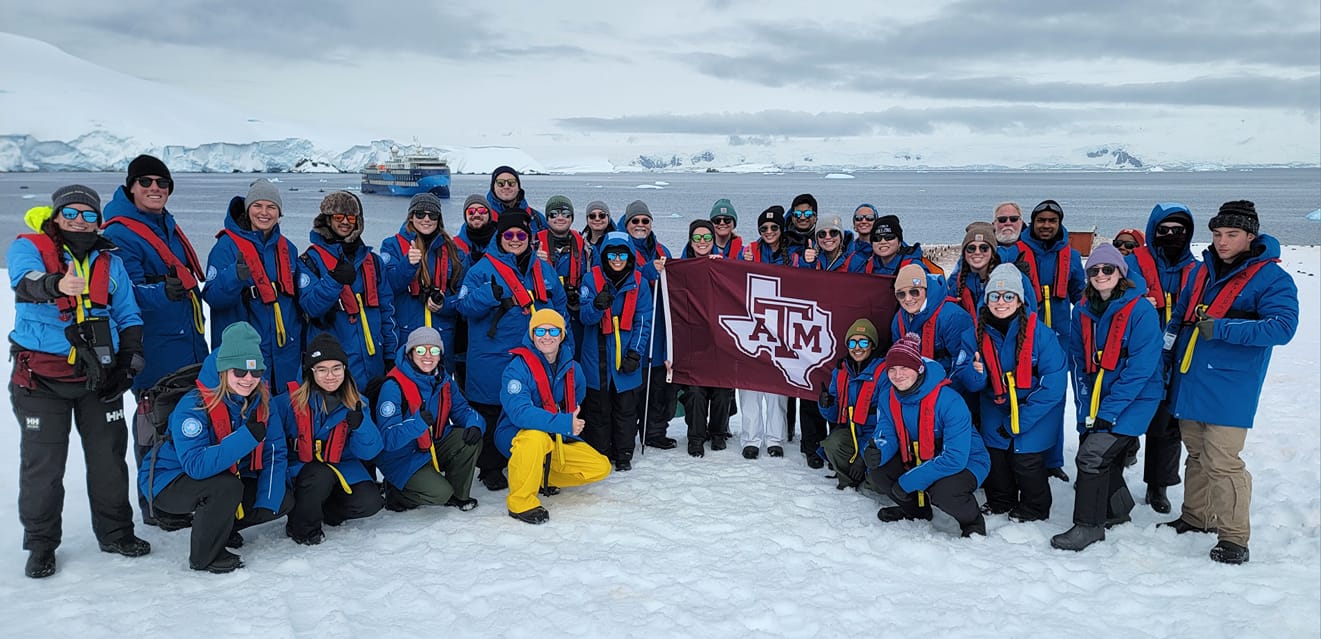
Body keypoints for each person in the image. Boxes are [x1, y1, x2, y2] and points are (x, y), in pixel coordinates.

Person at [9, 186, 150, 578]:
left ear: (98, 220)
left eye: (89, 215)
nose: (80, 221)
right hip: (41, 380)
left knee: (108, 461)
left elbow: (129, 315)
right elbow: (25, 281)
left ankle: (116, 532)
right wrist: (57, 285)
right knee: (44, 466)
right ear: (55, 216)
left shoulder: (111, 262)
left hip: (98, 378)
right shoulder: (30, 247)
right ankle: (40, 545)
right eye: (71, 213)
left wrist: (128, 364)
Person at [1163, 201, 1298, 564]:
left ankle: (1235, 538)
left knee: (1223, 461)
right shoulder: (1201, 272)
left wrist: (1223, 328)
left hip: (1230, 387)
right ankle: (1197, 516)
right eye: (1218, 234)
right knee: (1195, 455)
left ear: (1250, 236)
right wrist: (1165, 350)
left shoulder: (1272, 278)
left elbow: (1283, 328)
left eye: (1232, 235)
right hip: (1190, 378)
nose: (1222, 242)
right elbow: (1180, 317)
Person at [139, 322, 292, 574]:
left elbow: (275, 451)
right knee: (225, 487)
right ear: (224, 370)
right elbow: (196, 466)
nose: (248, 379)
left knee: (281, 499)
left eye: (256, 372)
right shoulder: (194, 405)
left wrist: (267, 501)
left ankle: (223, 528)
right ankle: (204, 556)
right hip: (169, 480)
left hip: (222, 474)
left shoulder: (261, 399)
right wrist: (246, 437)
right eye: (240, 371)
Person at [1051, 245, 1162, 551]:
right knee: (1094, 446)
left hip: (1137, 398)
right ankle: (1118, 508)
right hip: (1100, 397)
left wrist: (1109, 411)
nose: (1101, 275)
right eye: (1094, 271)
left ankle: (1088, 526)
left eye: (1108, 269)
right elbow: (1078, 364)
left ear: (1121, 273)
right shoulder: (1084, 311)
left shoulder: (1141, 312)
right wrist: (1087, 410)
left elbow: (1140, 370)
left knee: (1091, 455)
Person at [457, 211, 569, 491]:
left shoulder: (543, 269)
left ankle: (531, 462)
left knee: (530, 407)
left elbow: (561, 306)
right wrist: (488, 295)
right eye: (509, 235)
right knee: (492, 410)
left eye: (521, 235)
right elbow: (463, 307)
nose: (515, 239)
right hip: (492, 355)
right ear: (500, 237)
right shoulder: (481, 270)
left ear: (530, 239)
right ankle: (491, 467)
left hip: (535, 355)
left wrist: (565, 344)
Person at [863, 333, 989, 538]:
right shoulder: (889, 396)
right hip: (917, 456)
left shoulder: (949, 401)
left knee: (943, 491)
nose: (898, 375)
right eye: (892, 369)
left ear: (919, 368)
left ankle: (972, 522)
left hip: (966, 461)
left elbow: (955, 458)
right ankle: (915, 510)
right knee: (880, 472)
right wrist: (878, 451)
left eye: (905, 368)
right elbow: (886, 434)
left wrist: (907, 482)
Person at [101, 154, 208, 394]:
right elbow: (123, 295)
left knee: (191, 419)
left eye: (162, 183)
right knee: (156, 417)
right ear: (131, 187)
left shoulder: (165, 225)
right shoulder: (119, 234)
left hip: (187, 338)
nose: (155, 188)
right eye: (145, 182)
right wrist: (163, 292)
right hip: (154, 344)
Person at [969, 264, 1067, 521]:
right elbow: (966, 380)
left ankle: (1036, 507)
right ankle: (1001, 500)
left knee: (1027, 460)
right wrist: (975, 374)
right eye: (995, 296)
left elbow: (1053, 385)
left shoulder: (1042, 336)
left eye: (1009, 296)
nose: (1001, 302)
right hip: (995, 402)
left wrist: (1019, 420)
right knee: (996, 456)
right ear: (986, 299)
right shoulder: (975, 335)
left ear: (1020, 300)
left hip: (1035, 406)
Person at [497, 310, 611, 524]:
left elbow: (576, 400)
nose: (546, 336)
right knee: (535, 437)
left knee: (600, 466)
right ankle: (521, 502)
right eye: (540, 330)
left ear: (562, 335)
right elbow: (520, 413)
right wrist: (563, 423)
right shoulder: (516, 369)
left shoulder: (574, 369)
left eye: (553, 330)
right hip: (517, 435)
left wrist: (567, 424)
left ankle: (537, 477)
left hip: (556, 437)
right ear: (532, 335)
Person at [277, 334, 384, 545]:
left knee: (370, 503)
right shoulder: (286, 403)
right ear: (311, 371)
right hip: (302, 470)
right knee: (319, 476)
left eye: (336, 368)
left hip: (342, 466)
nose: (330, 376)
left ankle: (322, 510)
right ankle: (302, 527)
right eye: (322, 369)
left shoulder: (357, 403)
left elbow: (370, 451)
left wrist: (361, 426)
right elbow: (274, 448)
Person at [1129, 203, 1199, 512]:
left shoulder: (1198, 271)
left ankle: (1158, 486)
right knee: (1125, 418)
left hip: (1177, 357)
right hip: (1138, 354)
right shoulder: (1132, 263)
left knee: (1167, 426)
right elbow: (1113, 294)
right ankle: (1109, 477)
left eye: (1178, 231)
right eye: (1164, 230)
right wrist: (1139, 300)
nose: (1171, 236)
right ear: (1153, 232)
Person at [204, 178, 304, 391]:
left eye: (271, 207)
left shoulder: (289, 249)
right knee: (253, 414)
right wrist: (234, 276)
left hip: (286, 352)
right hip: (245, 358)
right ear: (248, 209)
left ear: (280, 213)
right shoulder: (226, 248)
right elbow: (213, 297)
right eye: (257, 205)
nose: (264, 212)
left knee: (287, 414)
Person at [375, 327, 484, 512]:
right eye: (420, 350)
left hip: (432, 445)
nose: (428, 356)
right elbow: (387, 438)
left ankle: (457, 494)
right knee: (438, 493)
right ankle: (397, 493)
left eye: (434, 350)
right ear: (410, 353)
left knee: (469, 439)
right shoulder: (393, 386)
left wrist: (475, 424)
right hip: (402, 457)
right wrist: (417, 424)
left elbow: (462, 410)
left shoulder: (443, 380)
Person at [1016, 200, 1086, 481]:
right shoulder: (1017, 253)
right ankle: (1025, 453)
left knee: (1055, 397)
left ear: (1059, 224)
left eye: (1051, 221)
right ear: (1032, 222)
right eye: (1041, 220)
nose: (1046, 225)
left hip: (1060, 336)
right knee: (1027, 394)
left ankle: (1052, 459)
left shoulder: (1070, 255)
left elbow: (1080, 294)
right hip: (1025, 334)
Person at [299, 191, 399, 386]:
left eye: (351, 217)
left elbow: (387, 311)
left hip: (374, 362)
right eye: (338, 217)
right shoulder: (309, 261)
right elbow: (309, 306)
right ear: (327, 219)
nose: (345, 222)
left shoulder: (373, 262)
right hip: (335, 367)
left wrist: (390, 355)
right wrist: (334, 280)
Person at [578, 232, 652, 469]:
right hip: (596, 354)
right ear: (604, 255)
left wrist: (635, 353)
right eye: (612, 253)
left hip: (626, 354)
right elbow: (585, 317)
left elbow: (643, 320)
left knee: (626, 409)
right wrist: (597, 306)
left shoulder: (639, 283)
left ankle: (624, 453)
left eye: (622, 254)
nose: (617, 259)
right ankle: (600, 452)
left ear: (629, 256)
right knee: (598, 408)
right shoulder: (591, 280)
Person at [381, 193, 469, 378]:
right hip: (407, 335)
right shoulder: (392, 246)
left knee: (441, 393)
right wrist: (408, 265)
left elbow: (463, 297)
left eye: (432, 215)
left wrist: (444, 305)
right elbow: (388, 288)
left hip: (442, 336)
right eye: (420, 214)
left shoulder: (455, 252)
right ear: (411, 216)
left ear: (439, 219)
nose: (426, 219)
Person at [737, 206, 797, 459]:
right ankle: (750, 438)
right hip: (753, 326)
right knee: (749, 386)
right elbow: (732, 279)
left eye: (774, 227)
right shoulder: (749, 252)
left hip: (782, 328)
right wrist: (742, 264)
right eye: (764, 228)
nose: (769, 232)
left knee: (777, 388)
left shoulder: (792, 255)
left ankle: (775, 438)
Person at [622, 200, 678, 450]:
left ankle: (654, 432)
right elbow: (617, 275)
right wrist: (645, 271)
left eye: (645, 220)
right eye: (635, 221)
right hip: (633, 326)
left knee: (658, 389)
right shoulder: (620, 248)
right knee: (634, 389)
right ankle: (627, 433)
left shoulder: (662, 250)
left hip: (659, 326)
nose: (640, 225)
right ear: (627, 224)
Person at [676, 220, 735, 456]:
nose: (703, 242)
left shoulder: (723, 265)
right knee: (696, 392)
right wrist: (660, 270)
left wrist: (727, 268)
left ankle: (718, 432)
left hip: (720, 341)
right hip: (692, 342)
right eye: (698, 238)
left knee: (722, 391)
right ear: (691, 241)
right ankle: (696, 437)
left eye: (707, 238)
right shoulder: (680, 267)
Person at [891, 263, 979, 396]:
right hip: (917, 387)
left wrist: (940, 397)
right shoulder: (899, 321)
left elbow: (962, 364)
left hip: (950, 389)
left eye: (914, 292)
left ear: (926, 290)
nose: (908, 299)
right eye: (901, 294)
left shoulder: (952, 317)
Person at [817, 319, 885, 490]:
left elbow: (888, 421)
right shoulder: (840, 373)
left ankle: (868, 478)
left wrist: (863, 458)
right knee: (833, 442)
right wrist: (826, 404)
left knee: (878, 482)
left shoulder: (884, 373)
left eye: (863, 342)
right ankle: (850, 479)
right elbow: (834, 416)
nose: (857, 347)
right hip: (852, 433)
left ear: (872, 345)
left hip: (878, 436)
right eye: (852, 342)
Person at [537, 195, 590, 353]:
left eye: (565, 213)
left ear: (572, 218)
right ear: (547, 218)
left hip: (575, 309)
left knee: (575, 352)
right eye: (554, 214)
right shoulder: (533, 244)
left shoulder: (584, 244)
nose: (560, 217)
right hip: (546, 309)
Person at [848, 215, 940, 276]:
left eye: (889, 237)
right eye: (877, 238)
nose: (883, 242)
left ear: (899, 242)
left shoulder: (913, 267)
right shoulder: (868, 266)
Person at [486, 165, 548, 232]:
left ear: (518, 187)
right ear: (493, 187)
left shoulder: (537, 219)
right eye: (500, 183)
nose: (506, 186)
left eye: (511, 182)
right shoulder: (482, 217)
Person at [455, 194, 497, 263]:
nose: (476, 215)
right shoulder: (455, 246)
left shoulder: (501, 242)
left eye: (482, 211)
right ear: (465, 216)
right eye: (471, 211)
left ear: (489, 215)